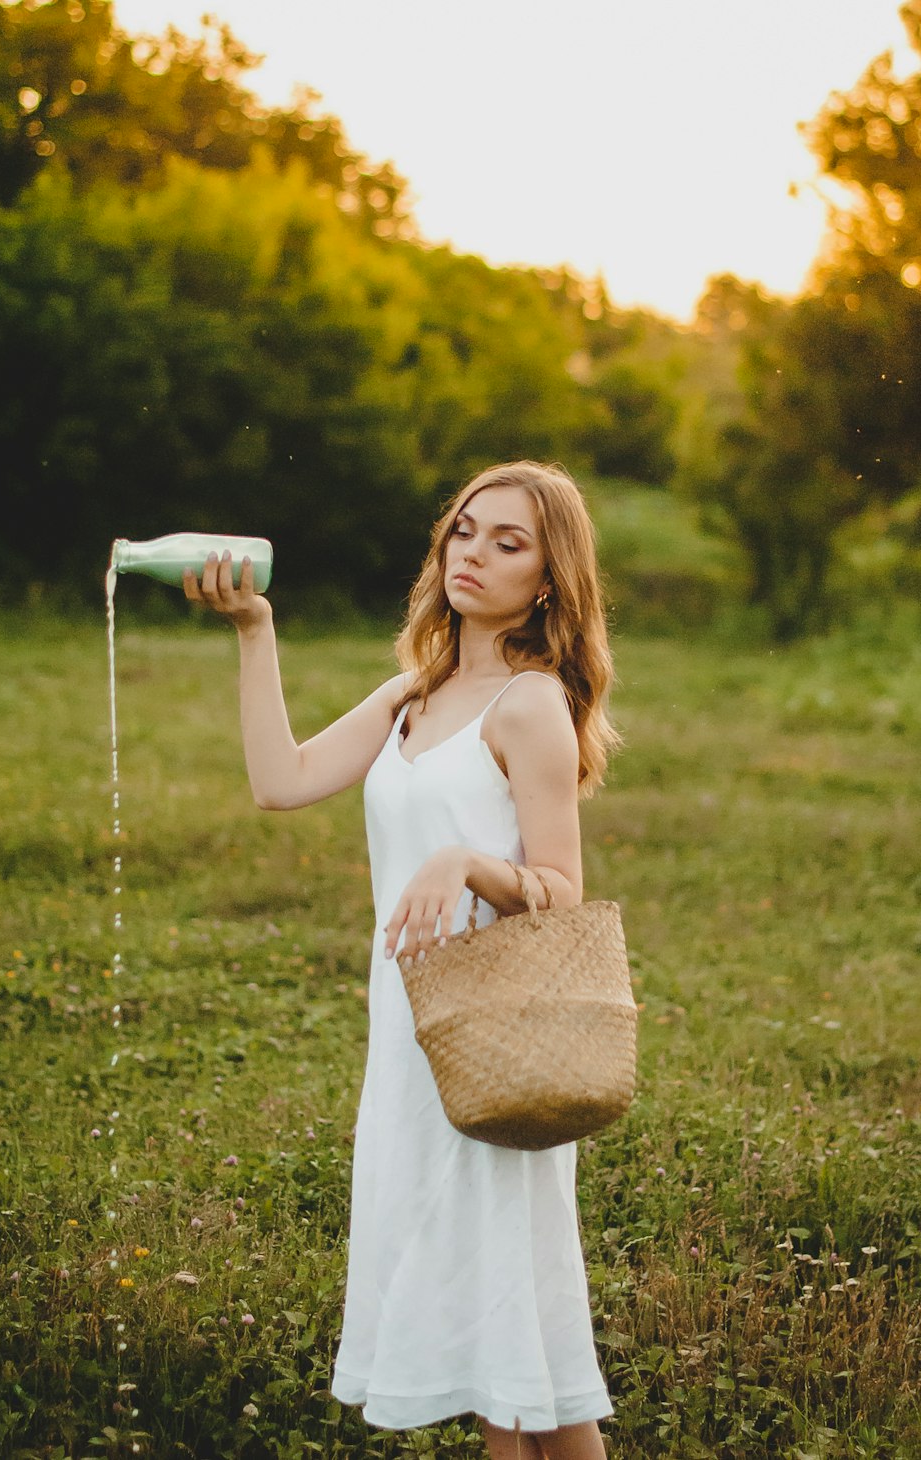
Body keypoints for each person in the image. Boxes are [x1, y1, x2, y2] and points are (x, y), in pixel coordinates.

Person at [184, 460, 619, 1460]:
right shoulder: (412, 692)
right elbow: (279, 781)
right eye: (467, 529)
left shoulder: (529, 703)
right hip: (410, 1044)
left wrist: (468, 862)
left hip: (500, 1039)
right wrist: (257, 630)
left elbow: (563, 889)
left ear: (550, 578)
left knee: (508, 1345)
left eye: (510, 541)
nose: (475, 552)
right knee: (523, 1359)